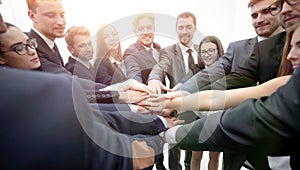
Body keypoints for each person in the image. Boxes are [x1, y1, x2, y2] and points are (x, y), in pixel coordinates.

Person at [0, 4, 177, 170]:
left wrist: (128, 99)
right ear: (32, 15)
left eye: (62, 14)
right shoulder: (47, 84)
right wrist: (129, 101)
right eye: (51, 15)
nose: (61, 21)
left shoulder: (51, 51)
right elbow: (83, 105)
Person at [162, 23, 300, 170]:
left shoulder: (285, 92)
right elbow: (215, 97)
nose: (290, 55)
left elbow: (228, 120)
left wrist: (167, 131)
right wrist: (171, 102)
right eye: (291, 47)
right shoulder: (284, 83)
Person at [147, 11, 204, 170]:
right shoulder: (168, 51)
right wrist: (154, 79)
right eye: (180, 27)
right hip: (176, 107)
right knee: (174, 148)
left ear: (195, 28)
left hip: (197, 106)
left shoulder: (202, 50)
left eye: (188, 27)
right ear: (176, 29)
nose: (184, 31)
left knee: (194, 145)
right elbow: (160, 67)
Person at [123, 12, 166, 170]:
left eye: (149, 27)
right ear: (135, 31)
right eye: (141, 28)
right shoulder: (130, 52)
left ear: (154, 28)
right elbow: (134, 76)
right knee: (146, 154)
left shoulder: (159, 49)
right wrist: (144, 92)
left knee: (163, 147)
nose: (146, 31)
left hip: (164, 105)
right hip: (146, 108)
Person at [191, 35, 224, 170]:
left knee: (214, 156)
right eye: (203, 52)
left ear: (218, 50)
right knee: (196, 154)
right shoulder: (196, 71)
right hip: (199, 117)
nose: (207, 55)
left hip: (218, 119)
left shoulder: (226, 71)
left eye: (211, 50)